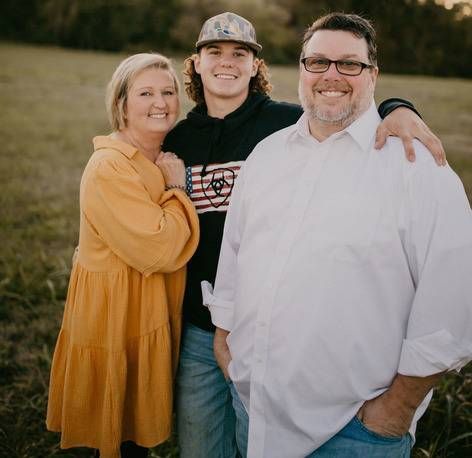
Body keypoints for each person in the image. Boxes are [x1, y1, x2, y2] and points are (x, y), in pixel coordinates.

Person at [162, 11, 448, 458]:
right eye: (214, 52)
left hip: (345, 413)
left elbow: (339, 107)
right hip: (224, 358)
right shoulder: (199, 143)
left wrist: (399, 107)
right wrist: (223, 336)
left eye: (349, 64)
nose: (331, 75)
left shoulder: (286, 127)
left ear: (258, 65)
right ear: (195, 62)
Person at [46, 53, 199, 458]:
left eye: (168, 92)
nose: (160, 103)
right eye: (145, 93)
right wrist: (177, 190)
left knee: (135, 433)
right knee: (119, 437)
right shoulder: (109, 168)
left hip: (145, 307)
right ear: (121, 105)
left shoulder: (158, 153)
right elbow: (162, 248)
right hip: (117, 314)